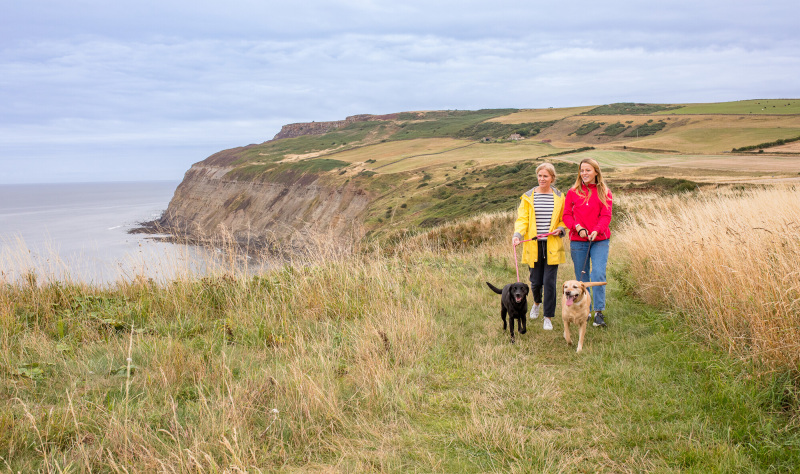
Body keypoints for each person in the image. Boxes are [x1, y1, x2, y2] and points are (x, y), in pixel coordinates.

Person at [512, 163, 567, 331]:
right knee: (535, 282)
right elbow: (523, 220)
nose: (542, 179)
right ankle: (536, 303)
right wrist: (517, 235)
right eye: (540, 176)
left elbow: (564, 218)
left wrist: (561, 229)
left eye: (546, 176)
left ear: (552, 178)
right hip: (533, 244)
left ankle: (547, 317)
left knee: (549, 282)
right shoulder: (528, 196)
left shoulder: (559, 196)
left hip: (552, 244)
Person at [563, 157, 613, 328]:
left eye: (588, 170)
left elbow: (606, 216)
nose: (584, 173)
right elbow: (566, 216)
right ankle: (586, 310)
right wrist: (577, 227)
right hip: (578, 240)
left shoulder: (605, 192)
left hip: (599, 240)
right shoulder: (572, 192)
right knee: (582, 279)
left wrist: (596, 230)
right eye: (582, 170)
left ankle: (599, 312)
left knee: (598, 274)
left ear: (596, 172)